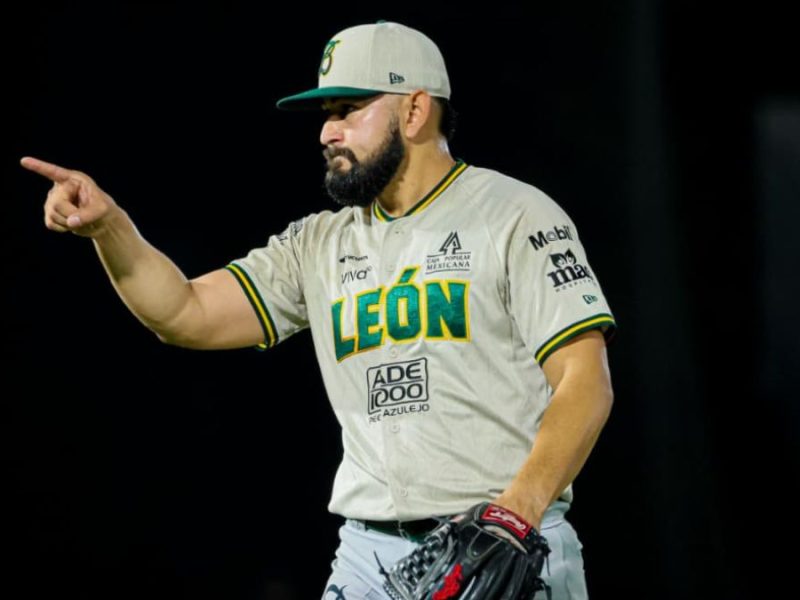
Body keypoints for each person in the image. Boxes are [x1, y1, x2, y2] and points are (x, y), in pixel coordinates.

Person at [22, 21, 616, 600]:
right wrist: (110, 228)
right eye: (327, 115)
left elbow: (585, 382)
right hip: (369, 554)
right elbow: (184, 312)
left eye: (347, 109)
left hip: (505, 540)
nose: (327, 132)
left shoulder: (515, 214)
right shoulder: (319, 243)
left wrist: (518, 513)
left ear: (414, 111)